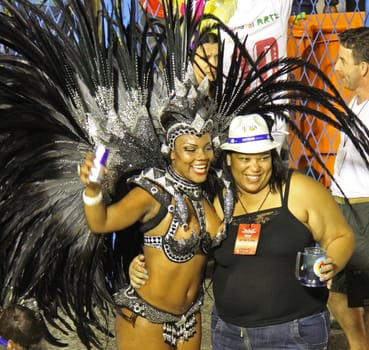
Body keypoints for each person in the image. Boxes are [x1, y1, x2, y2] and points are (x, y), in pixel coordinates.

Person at [130, 113, 355, 349]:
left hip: (293, 334)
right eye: (245, 159)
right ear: (229, 160)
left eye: (262, 158)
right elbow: (188, 254)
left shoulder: (298, 189)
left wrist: (332, 262)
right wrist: (143, 264)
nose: (254, 167)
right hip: (229, 334)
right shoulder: (215, 201)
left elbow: (341, 235)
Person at [328, 26, 369, 350]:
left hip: (362, 211)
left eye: (343, 61)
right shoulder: (357, 101)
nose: (336, 67)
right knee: (348, 294)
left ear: (363, 67)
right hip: (348, 210)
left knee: (340, 294)